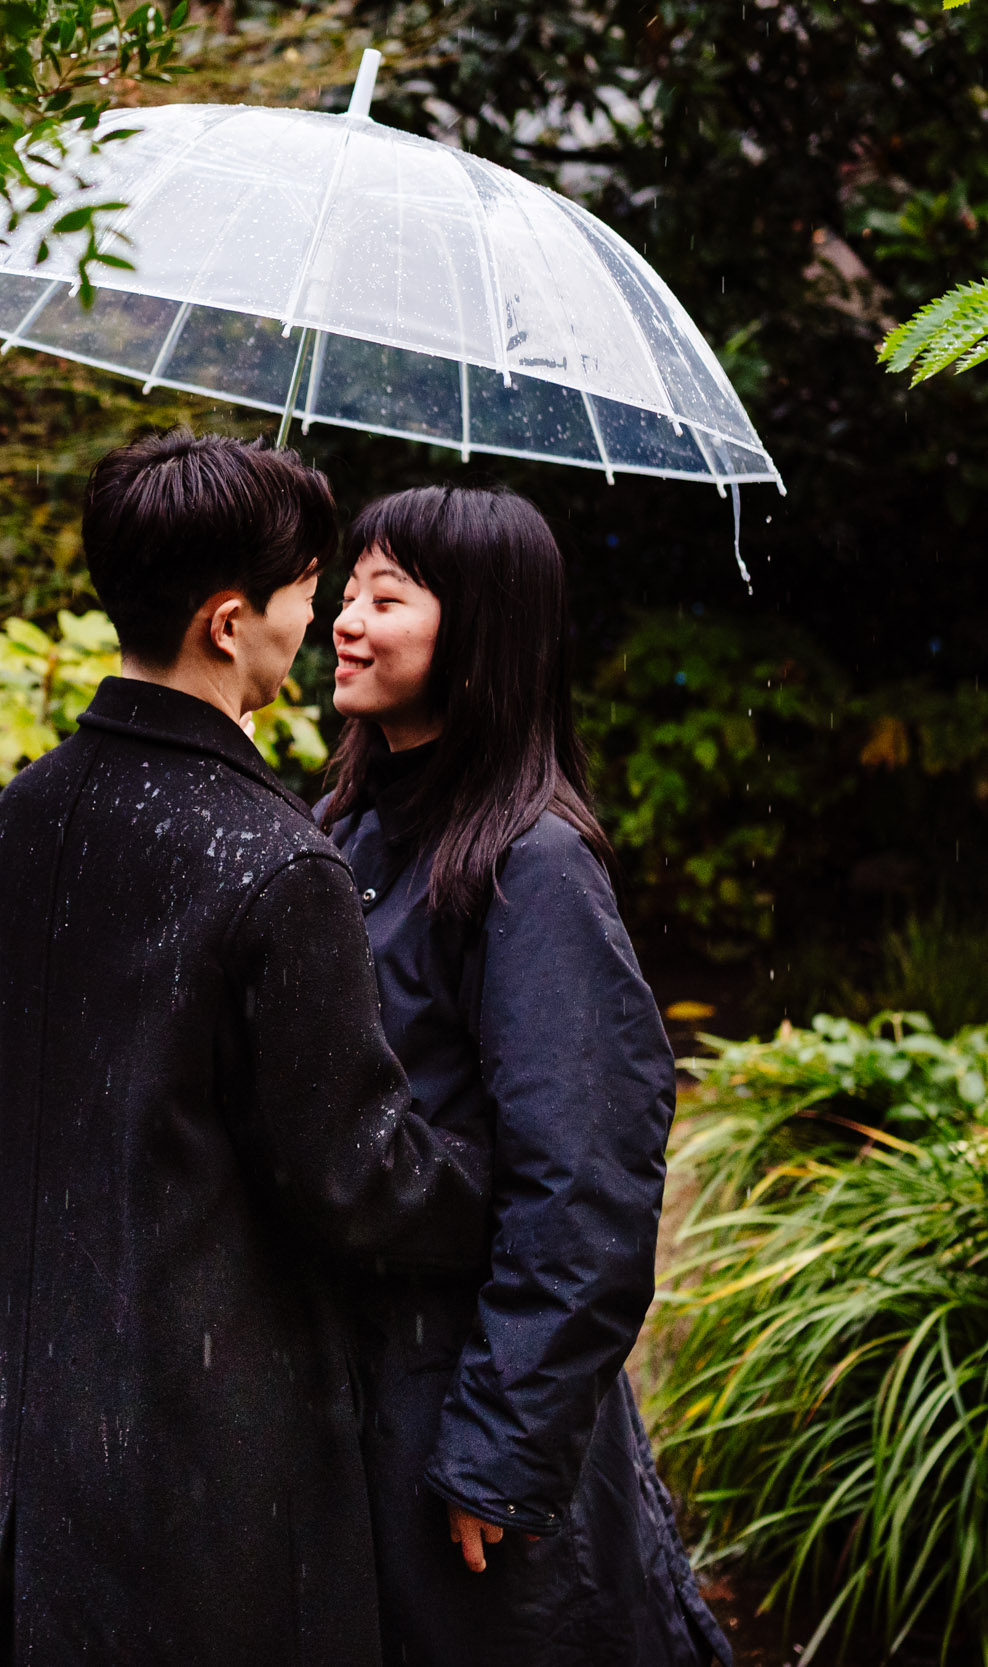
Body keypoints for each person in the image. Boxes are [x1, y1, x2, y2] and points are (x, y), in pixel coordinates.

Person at [0, 433, 490, 1667]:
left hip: (56, 1384)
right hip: (220, 1417)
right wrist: (494, 1173)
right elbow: (354, 1178)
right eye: (307, 598)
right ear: (226, 621)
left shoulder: (35, 806)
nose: (316, 630)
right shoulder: (277, 860)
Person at [318, 485, 729, 1667]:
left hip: (470, 1403)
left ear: (480, 630)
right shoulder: (350, 825)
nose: (346, 619)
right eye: (347, 590)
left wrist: (499, 1448)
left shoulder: (530, 865)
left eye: (386, 597)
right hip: (376, 1385)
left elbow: (586, 1189)